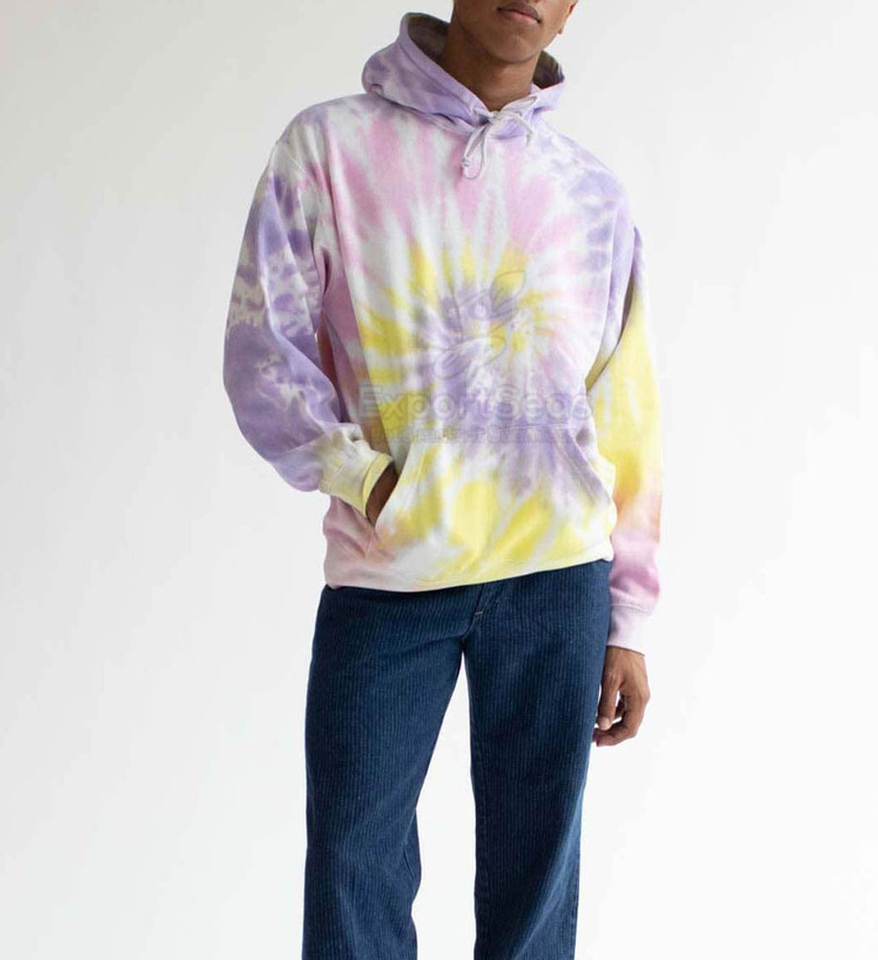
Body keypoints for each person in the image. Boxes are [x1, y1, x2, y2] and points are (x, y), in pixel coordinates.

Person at [222, 3, 663, 957]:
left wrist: (627, 616)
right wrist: (367, 481)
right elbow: (264, 350)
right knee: (353, 860)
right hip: (390, 571)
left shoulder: (590, 192)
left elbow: (624, 409)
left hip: (556, 576)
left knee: (536, 877)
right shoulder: (329, 148)